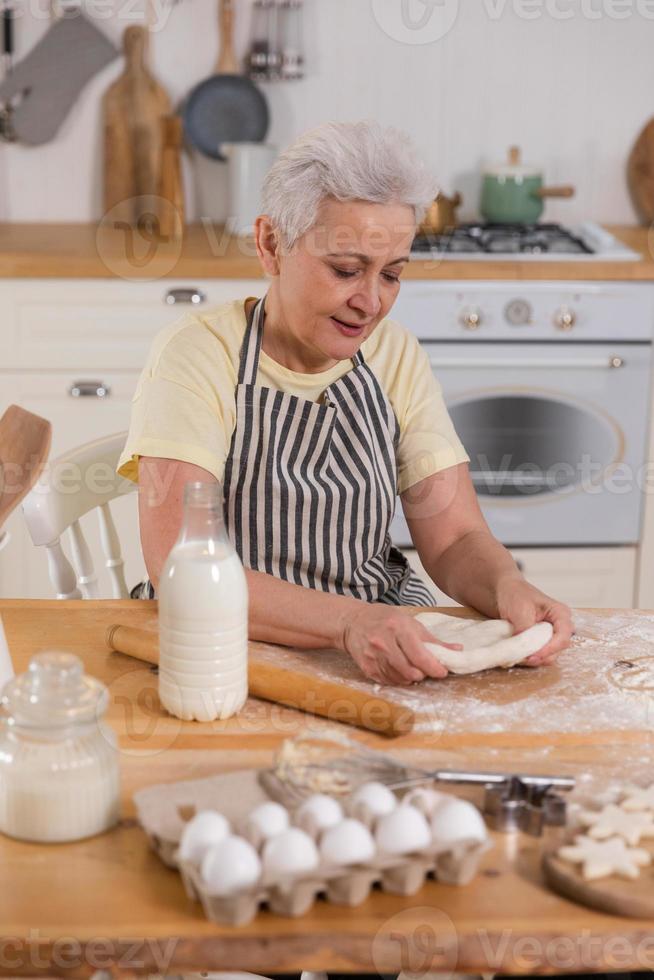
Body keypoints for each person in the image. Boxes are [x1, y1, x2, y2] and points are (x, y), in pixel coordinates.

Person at [117, 120, 573, 686]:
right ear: (270, 245)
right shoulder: (198, 355)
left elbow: (454, 537)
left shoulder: (395, 355)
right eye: (345, 270)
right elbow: (180, 564)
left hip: (380, 640)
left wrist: (508, 585)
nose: (370, 302)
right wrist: (348, 623)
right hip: (223, 646)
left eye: (392, 275)